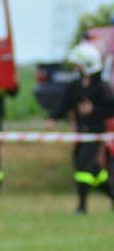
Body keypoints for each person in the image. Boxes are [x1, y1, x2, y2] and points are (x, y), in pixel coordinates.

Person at [46, 42, 114, 214]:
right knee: (93, 171)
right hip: (80, 133)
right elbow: (64, 104)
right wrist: (53, 118)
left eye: (78, 65)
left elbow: (110, 109)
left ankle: (82, 206)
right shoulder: (75, 86)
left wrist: (93, 111)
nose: (76, 68)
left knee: (83, 167)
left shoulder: (101, 87)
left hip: (95, 134)